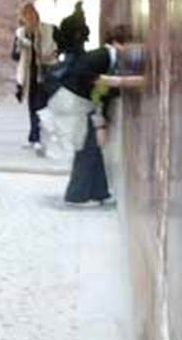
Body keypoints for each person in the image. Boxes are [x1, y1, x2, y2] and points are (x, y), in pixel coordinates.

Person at [40, 24, 138, 205]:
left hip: (78, 104)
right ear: (117, 43)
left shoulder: (108, 58)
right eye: (128, 45)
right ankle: (76, 195)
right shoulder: (102, 55)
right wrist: (112, 81)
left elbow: (100, 92)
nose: (130, 50)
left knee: (91, 146)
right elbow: (84, 76)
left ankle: (99, 192)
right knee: (86, 147)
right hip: (73, 103)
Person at [12, 2, 59, 153]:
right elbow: (14, 55)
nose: (29, 18)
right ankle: (35, 137)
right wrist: (21, 47)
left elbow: (61, 46)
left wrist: (53, 54)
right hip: (29, 75)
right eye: (25, 15)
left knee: (42, 106)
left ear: (36, 14)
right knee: (34, 106)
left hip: (47, 72)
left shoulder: (50, 29)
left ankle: (39, 137)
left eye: (31, 14)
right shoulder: (21, 33)